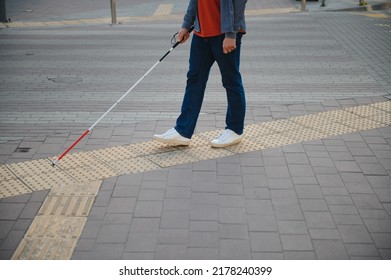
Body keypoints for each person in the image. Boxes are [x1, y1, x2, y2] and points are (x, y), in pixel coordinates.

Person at [153, 0, 247, 148]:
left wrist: (231, 33)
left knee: (231, 81)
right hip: (201, 33)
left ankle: (235, 130)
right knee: (194, 79)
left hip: (224, 34)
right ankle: (183, 131)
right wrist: (186, 24)